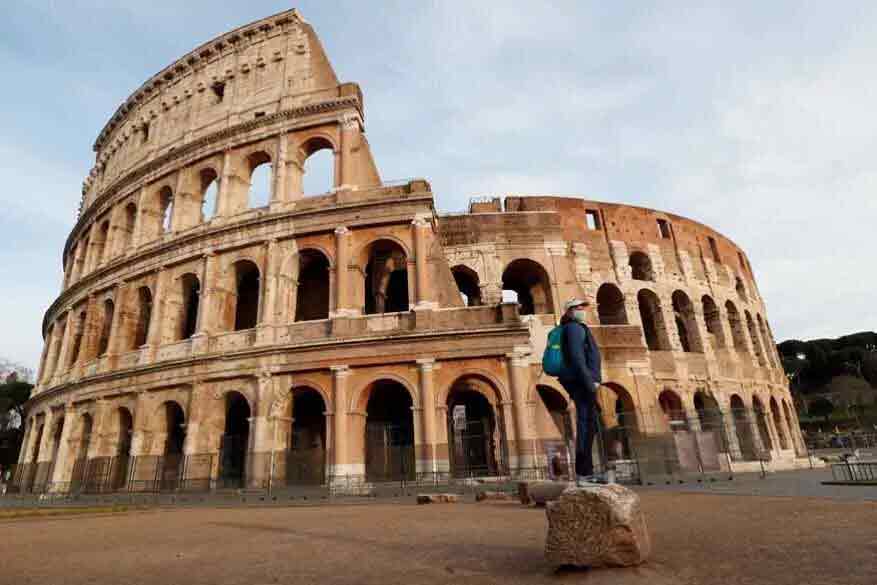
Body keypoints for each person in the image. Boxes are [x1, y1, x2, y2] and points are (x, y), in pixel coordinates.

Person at [558, 298, 603, 486]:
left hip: (583, 382)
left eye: (582, 307)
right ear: (569, 311)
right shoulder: (574, 329)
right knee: (586, 426)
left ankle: (587, 472)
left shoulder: (575, 327)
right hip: (583, 383)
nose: (582, 310)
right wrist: (589, 382)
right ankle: (584, 474)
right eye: (577, 308)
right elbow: (577, 358)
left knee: (590, 425)